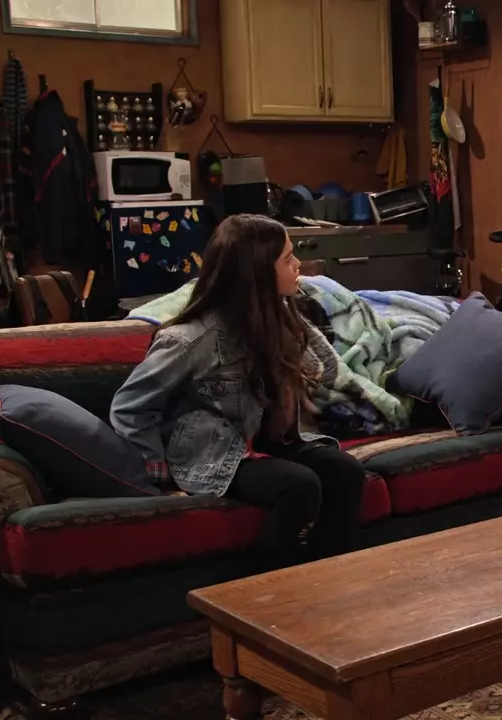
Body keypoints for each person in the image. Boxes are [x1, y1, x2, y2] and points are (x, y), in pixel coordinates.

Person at [111, 214, 367, 570]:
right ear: (258, 273)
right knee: (300, 485)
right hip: (213, 454)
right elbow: (130, 407)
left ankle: (330, 576)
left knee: (345, 471)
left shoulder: (275, 317)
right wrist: (158, 478)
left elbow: (320, 371)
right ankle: (263, 590)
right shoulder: (188, 340)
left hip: (265, 441)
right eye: (288, 259)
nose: (298, 266)